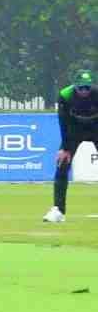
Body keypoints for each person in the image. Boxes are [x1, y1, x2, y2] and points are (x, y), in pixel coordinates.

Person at [45, 68, 98, 223]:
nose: (84, 91)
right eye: (81, 87)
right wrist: (64, 148)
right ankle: (58, 211)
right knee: (62, 165)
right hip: (74, 130)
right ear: (75, 86)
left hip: (96, 128)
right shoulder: (65, 95)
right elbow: (63, 122)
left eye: (87, 87)